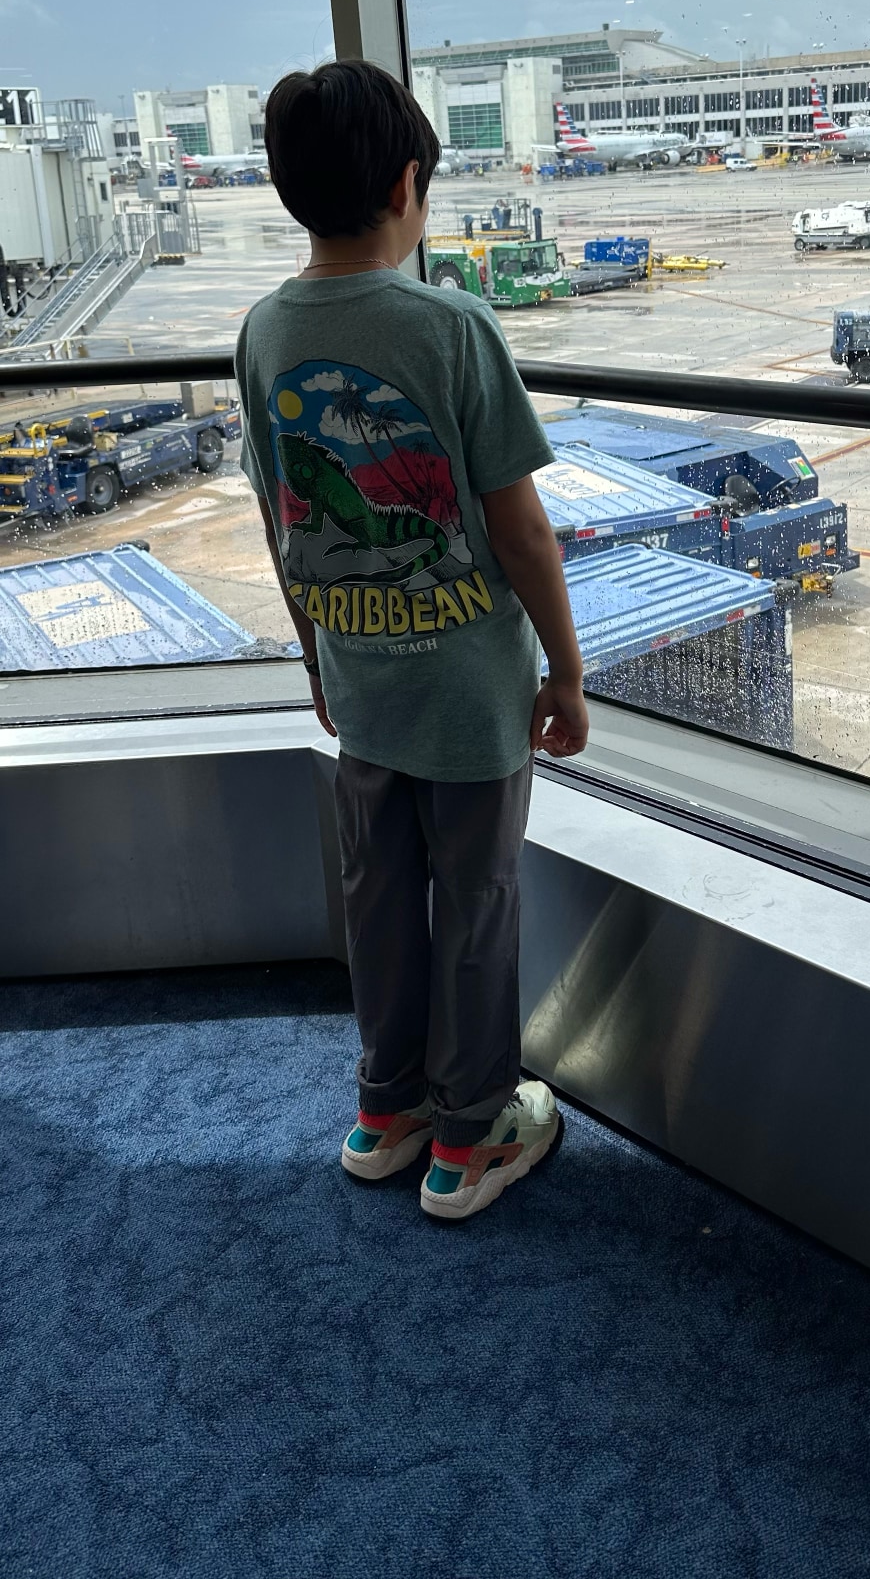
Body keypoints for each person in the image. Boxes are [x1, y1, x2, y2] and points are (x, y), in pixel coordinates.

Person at [236, 60, 588, 1222]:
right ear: (407, 185)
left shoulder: (266, 331)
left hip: (363, 686)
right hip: (472, 697)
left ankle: (385, 1107)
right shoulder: (453, 325)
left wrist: (313, 656)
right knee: (475, 904)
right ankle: (472, 1129)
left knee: (376, 897)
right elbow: (520, 527)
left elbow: (285, 518)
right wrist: (569, 670)